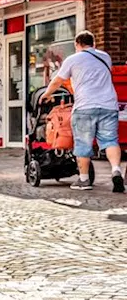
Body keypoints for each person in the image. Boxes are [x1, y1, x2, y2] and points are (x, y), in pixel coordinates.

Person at [41, 31, 122, 193]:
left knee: (83, 144)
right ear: (94, 43)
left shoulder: (73, 59)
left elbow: (58, 80)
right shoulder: (105, 56)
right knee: (110, 141)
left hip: (85, 107)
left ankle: (84, 180)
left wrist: (46, 94)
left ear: (77, 44)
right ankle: (116, 171)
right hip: (109, 105)